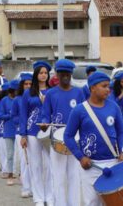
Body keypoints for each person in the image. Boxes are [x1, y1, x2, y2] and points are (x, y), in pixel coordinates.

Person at [64, 71, 123, 206]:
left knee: (113, 202)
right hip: (91, 165)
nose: (108, 90)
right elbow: (68, 136)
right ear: (92, 88)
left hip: (113, 162)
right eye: (104, 86)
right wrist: (80, 157)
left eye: (109, 86)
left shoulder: (114, 107)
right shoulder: (79, 110)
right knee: (92, 202)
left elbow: (121, 132)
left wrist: (122, 151)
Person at [40, 59, 84, 206]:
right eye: (62, 74)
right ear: (57, 75)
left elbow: (85, 114)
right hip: (57, 139)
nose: (65, 77)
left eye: (68, 74)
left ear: (71, 75)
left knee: (74, 176)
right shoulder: (51, 94)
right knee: (58, 176)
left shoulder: (79, 92)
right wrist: (44, 123)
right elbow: (45, 114)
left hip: (75, 140)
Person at [20, 61, 53, 205]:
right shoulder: (29, 93)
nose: (43, 75)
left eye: (45, 73)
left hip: (49, 133)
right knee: (36, 165)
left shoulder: (52, 91)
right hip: (32, 132)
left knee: (50, 165)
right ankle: (39, 198)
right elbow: (23, 114)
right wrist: (23, 135)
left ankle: (50, 197)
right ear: (36, 74)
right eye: (41, 73)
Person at [12, 72, 33, 198]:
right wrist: (21, 125)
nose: (28, 86)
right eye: (26, 84)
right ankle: (26, 187)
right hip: (21, 133)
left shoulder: (36, 97)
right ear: (22, 85)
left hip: (34, 133)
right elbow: (14, 116)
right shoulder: (17, 99)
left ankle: (36, 187)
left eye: (30, 83)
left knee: (35, 162)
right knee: (25, 161)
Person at [0, 80, 18, 185]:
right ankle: (10, 174)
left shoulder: (20, 99)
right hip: (8, 130)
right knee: (10, 154)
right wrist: (11, 115)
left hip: (19, 130)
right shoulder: (4, 100)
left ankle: (21, 174)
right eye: (16, 90)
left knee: (20, 155)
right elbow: (0, 115)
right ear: (11, 91)